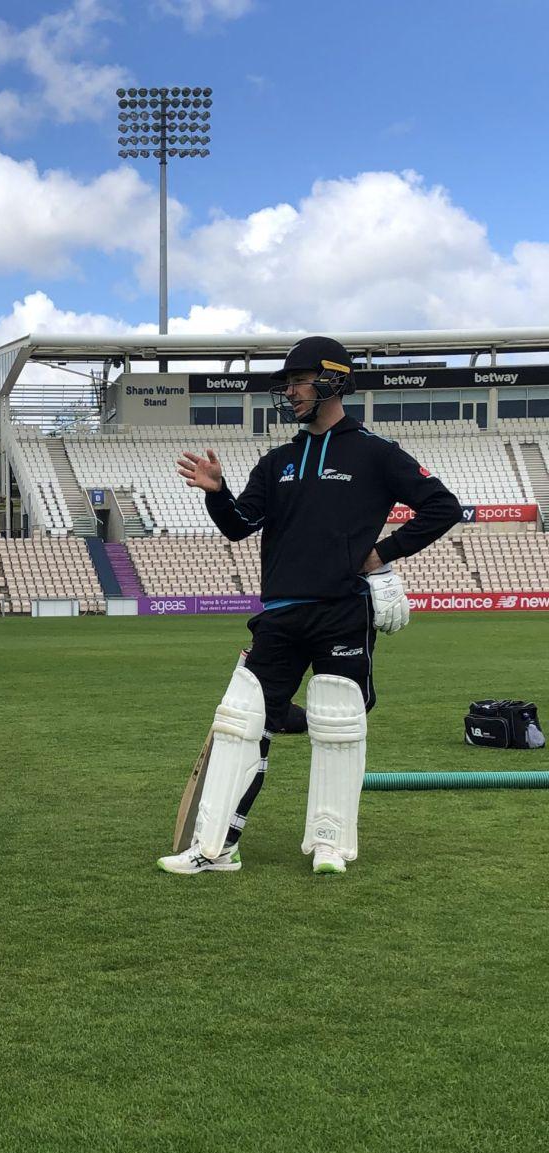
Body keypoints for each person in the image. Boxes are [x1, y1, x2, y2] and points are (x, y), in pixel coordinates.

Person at [158, 335, 461, 876]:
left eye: (298, 382)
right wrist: (215, 490)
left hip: (344, 609)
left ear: (332, 381)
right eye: (289, 384)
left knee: (338, 721)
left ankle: (330, 843)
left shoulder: (377, 453)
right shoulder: (277, 462)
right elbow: (238, 525)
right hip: (279, 614)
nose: (291, 392)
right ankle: (214, 849)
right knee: (240, 720)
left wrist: (381, 553)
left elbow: (443, 507)